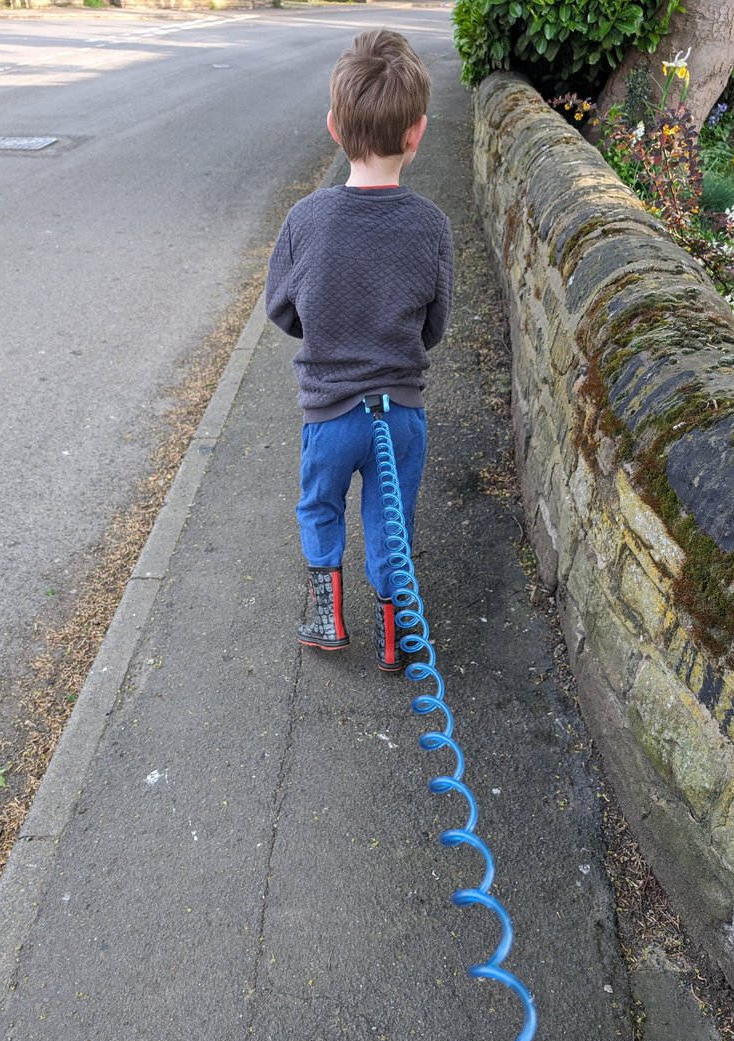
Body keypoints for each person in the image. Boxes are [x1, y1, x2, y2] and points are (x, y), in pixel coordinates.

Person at [265, 28, 453, 671]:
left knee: (320, 505)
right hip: (399, 413)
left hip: (329, 413)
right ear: (417, 132)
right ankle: (399, 637)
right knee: (388, 516)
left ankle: (328, 617)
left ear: (332, 126)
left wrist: (329, 331)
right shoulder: (431, 225)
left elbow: (282, 309)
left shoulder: (304, 221)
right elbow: (434, 326)